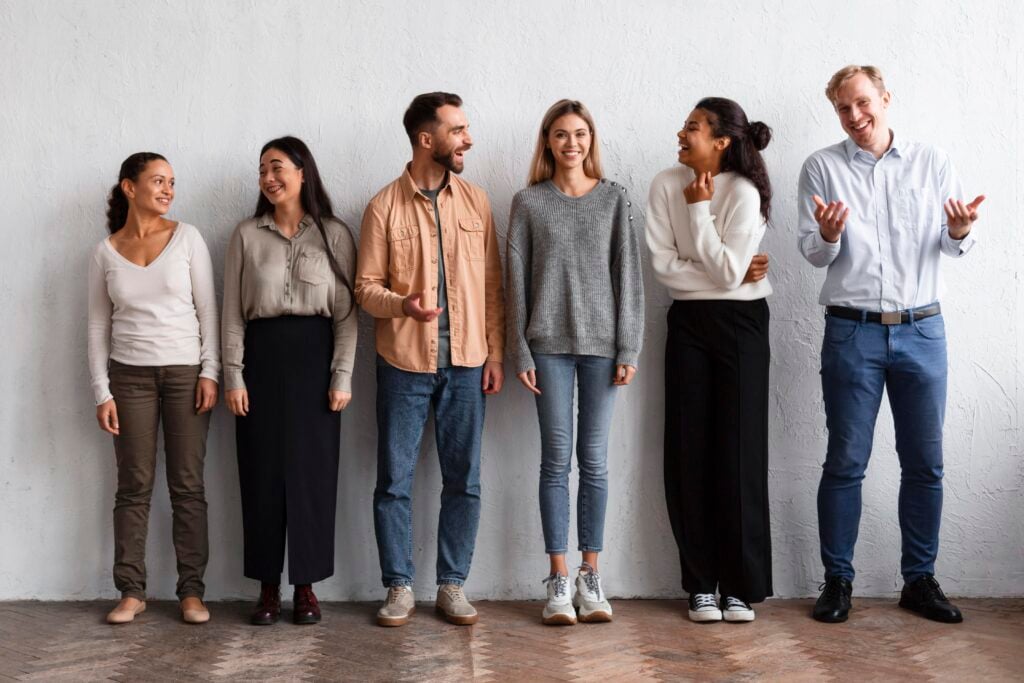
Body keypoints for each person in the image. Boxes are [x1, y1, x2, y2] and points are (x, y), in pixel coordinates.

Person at [799, 66, 982, 624]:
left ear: (884, 98)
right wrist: (829, 235)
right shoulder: (822, 167)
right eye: (842, 109)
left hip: (923, 330)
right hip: (851, 330)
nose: (854, 117)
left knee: (925, 464)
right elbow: (811, 251)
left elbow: (954, 246)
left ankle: (919, 580)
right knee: (845, 461)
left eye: (861, 103)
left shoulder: (932, 162)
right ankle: (837, 581)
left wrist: (958, 232)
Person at [356, 92, 505, 627]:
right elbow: (365, 289)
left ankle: (451, 584)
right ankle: (398, 586)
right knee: (393, 480)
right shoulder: (382, 207)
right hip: (402, 364)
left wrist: (495, 353)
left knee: (464, 479)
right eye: (458, 130)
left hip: (467, 364)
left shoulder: (477, 202)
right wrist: (403, 305)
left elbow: (492, 284)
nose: (468, 139)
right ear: (427, 139)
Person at [505, 99, 644, 625]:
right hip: (548, 347)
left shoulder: (613, 199)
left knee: (596, 462)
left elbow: (628, 275)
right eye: (561, 134)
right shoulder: (528, 203)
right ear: (547, 142)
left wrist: (628, 346)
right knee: (554, 462)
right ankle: (558, 579)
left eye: (581, 134)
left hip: (603, 347)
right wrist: (519, 347)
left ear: (591, 140)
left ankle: (591, 574)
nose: (572, 144)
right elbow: (514, 281)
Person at [646, 98, 774, 623]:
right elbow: (664, 268)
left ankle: (739, 585)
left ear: (721, 140)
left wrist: (699, 213)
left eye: (693, 127)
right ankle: (700, 583)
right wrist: (723, 268)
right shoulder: (662, 184)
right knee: (688, 449)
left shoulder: (744, 192)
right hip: (689, 326)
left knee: (739, 453)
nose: (682, 132)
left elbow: (722, 276)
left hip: (743, 326)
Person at [222, 136, 358, 626]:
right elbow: (232, 314)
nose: (269, 178)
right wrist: (234, 376)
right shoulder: (245, 235)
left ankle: (306, 587)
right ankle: (266, 587)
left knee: (312, 476)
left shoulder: (336, 235)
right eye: (262, 170)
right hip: (260, 359)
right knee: (260, 474)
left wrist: (341, 374)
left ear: (303, 172)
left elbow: (346, 316)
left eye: (277, 167)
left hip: (314, 359)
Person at [88, 152, 220, 625]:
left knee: (188, 486)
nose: (168, 190)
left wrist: (211, 372)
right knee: (134, 486)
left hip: (185, 375)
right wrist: (102, 391)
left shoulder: (188, 239)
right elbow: (97, 327)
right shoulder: (105, 251)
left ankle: (191, 592)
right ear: (129, 187)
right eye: (157, 181)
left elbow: (209, 310)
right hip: (130, 379)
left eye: (172, 182)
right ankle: (131, 590)